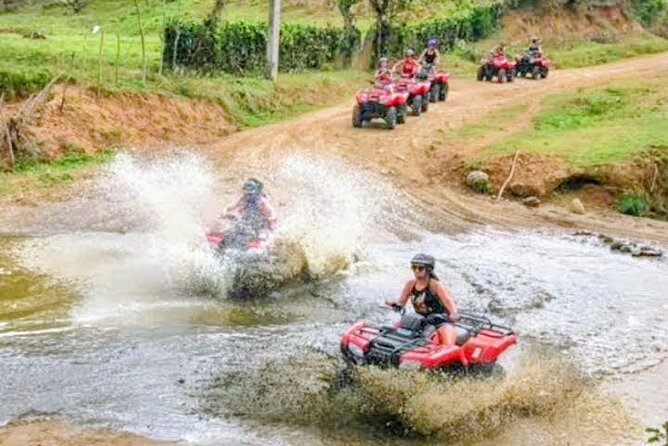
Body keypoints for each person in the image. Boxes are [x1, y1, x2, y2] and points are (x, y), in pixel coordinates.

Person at [385, 253, 461, 346]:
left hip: (439, 321)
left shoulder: (435, 285)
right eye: (414, 267)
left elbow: (448, 301)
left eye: (420, 268)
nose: (416, 271)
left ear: (429, 270)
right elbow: (401, 303)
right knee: (394, 329)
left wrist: (454, 312)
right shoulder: (410, 284)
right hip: (419, 320)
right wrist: (394, 304)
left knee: (448, 341)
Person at [219, 178, 277, 243]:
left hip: (260, 223)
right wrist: (224, 211)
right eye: (247, 193)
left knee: (262, 237)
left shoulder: (262, 201)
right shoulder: (243, 198)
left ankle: (261, 242)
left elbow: (272, 210)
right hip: (245, 221)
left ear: (257, 192)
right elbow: (231, 206)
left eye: (250, 194)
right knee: (228, 229)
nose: (248, 196)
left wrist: (272, 217)